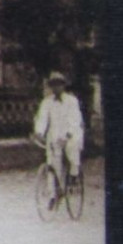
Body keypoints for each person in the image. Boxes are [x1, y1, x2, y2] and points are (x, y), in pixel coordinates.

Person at [32, 71, 85, 202]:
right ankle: (53, 194)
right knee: (52, 163)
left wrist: (67, 135)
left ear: (63, 86)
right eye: (53, 85)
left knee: (72, 149)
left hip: (71, 132)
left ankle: (73, 176)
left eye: (59, 85)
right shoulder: (47, 102)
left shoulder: (72, 101)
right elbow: (42, 118)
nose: (56, 88)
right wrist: (39, 132)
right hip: (54, 135)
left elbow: (75, 120)